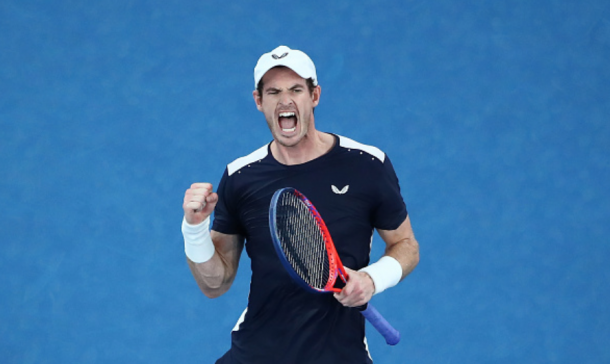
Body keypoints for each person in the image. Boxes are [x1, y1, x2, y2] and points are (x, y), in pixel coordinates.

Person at [181, 45, 419, 364]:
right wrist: (194, 229)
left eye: (296, 89)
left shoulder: (366, 164)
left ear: (315, 95)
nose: (285, 100)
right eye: (273, 92)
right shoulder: (241, 177)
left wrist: (372, 279)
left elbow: (406, 245)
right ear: (259, 101)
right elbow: (215, 284)